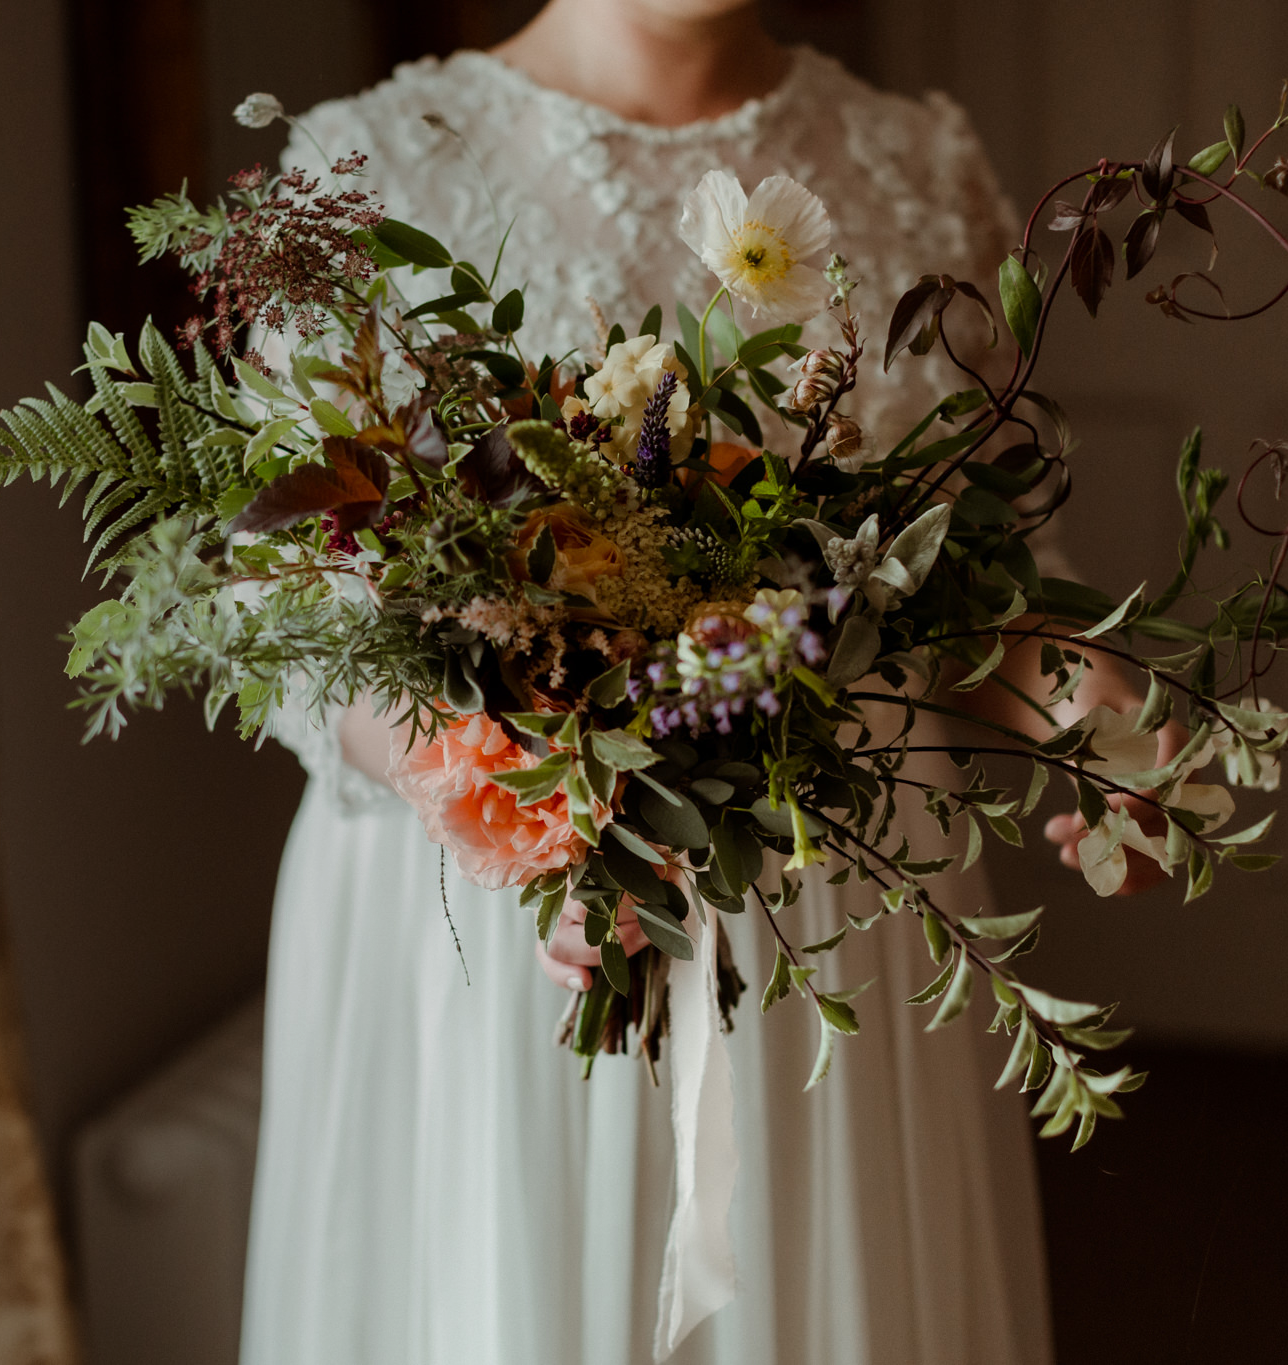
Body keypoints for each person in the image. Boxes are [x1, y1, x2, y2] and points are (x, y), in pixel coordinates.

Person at [244, 3, 1171, 1360]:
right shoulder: (369, 167)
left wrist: (1103, 717)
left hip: (832, 915)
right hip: (499, 934)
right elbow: (304, 624)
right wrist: (536, 809)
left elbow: (979, 597)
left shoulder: (915, 161)